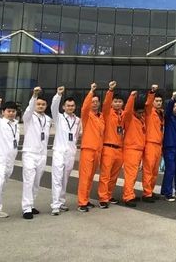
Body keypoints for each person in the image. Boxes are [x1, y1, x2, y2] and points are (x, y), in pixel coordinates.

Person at [21, 87, 52, 219]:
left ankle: (31, 204)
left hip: (42, 154)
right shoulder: (28, 117)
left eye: (43, 104)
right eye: (38, 104)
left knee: (36, 181)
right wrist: (34, 95)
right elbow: (29, 109)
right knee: (29, 180)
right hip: (30, 153)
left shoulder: (48, 119)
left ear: (46, 105)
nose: (40, 106)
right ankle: (26, 208)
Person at [50, 87, 81, 215]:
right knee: (57, 178)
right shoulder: (59, 117)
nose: (70, 107)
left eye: (72, 106)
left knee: (65, 179)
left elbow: (76, 136)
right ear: (63, 107)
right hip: (59, 151)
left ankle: (61, 202)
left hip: (70, 153)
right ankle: (55, 205)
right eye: (68, 106)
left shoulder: (78, 120)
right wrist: (58, 95)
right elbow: (53, 106)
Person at [77, 83, 105, 212]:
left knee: (90, 176)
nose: (94, 104)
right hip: (88, 149)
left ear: (99, 103)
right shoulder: (87, 115)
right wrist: (91, 92)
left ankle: (86, 199)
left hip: (97, 150)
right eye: (92, 102)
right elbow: (84, 107)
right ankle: (81, 202)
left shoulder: (101, 116)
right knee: (85, 176)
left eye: (96, 101)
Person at [98, 81, 124, 208]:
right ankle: (103, 198)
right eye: (116, 101)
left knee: (114, 176)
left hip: (119, 149)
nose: (118, 103)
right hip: (108, 147)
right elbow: (106, 104)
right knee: (105, 175)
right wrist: (110, 91)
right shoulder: (107, 113)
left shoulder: (123, 115)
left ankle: (109, 195)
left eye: (120, 102)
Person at [121, 91, 146, 208]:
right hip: (131, 150)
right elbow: (127, 110)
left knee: (134, 175)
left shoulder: (141, 120)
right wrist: (131, 97)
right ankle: (128, 196)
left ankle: (130, 193)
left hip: (138, 150)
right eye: (139, 112)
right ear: (134, 111)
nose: (141, 114)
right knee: (130, 175)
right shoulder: (129, 118)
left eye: (142, 112)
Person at [142, 85, 164, 203]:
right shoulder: (150, 112)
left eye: (160, 101)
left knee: (155, 171)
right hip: (150, 143)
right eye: (157, 100)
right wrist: (152, 92)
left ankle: (150, 190)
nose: (159, 102)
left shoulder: (161, 113)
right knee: (148, 170)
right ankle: (147, 193)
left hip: (158, 144)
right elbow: (148, 104)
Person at [161, 91, 176, 201]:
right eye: (174, 106)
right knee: (170, 169)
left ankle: (164, 190)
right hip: (169, 146)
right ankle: (168, 193)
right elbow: (168, 110)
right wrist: (172, 98)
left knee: (171, 169)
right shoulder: (168, 117)